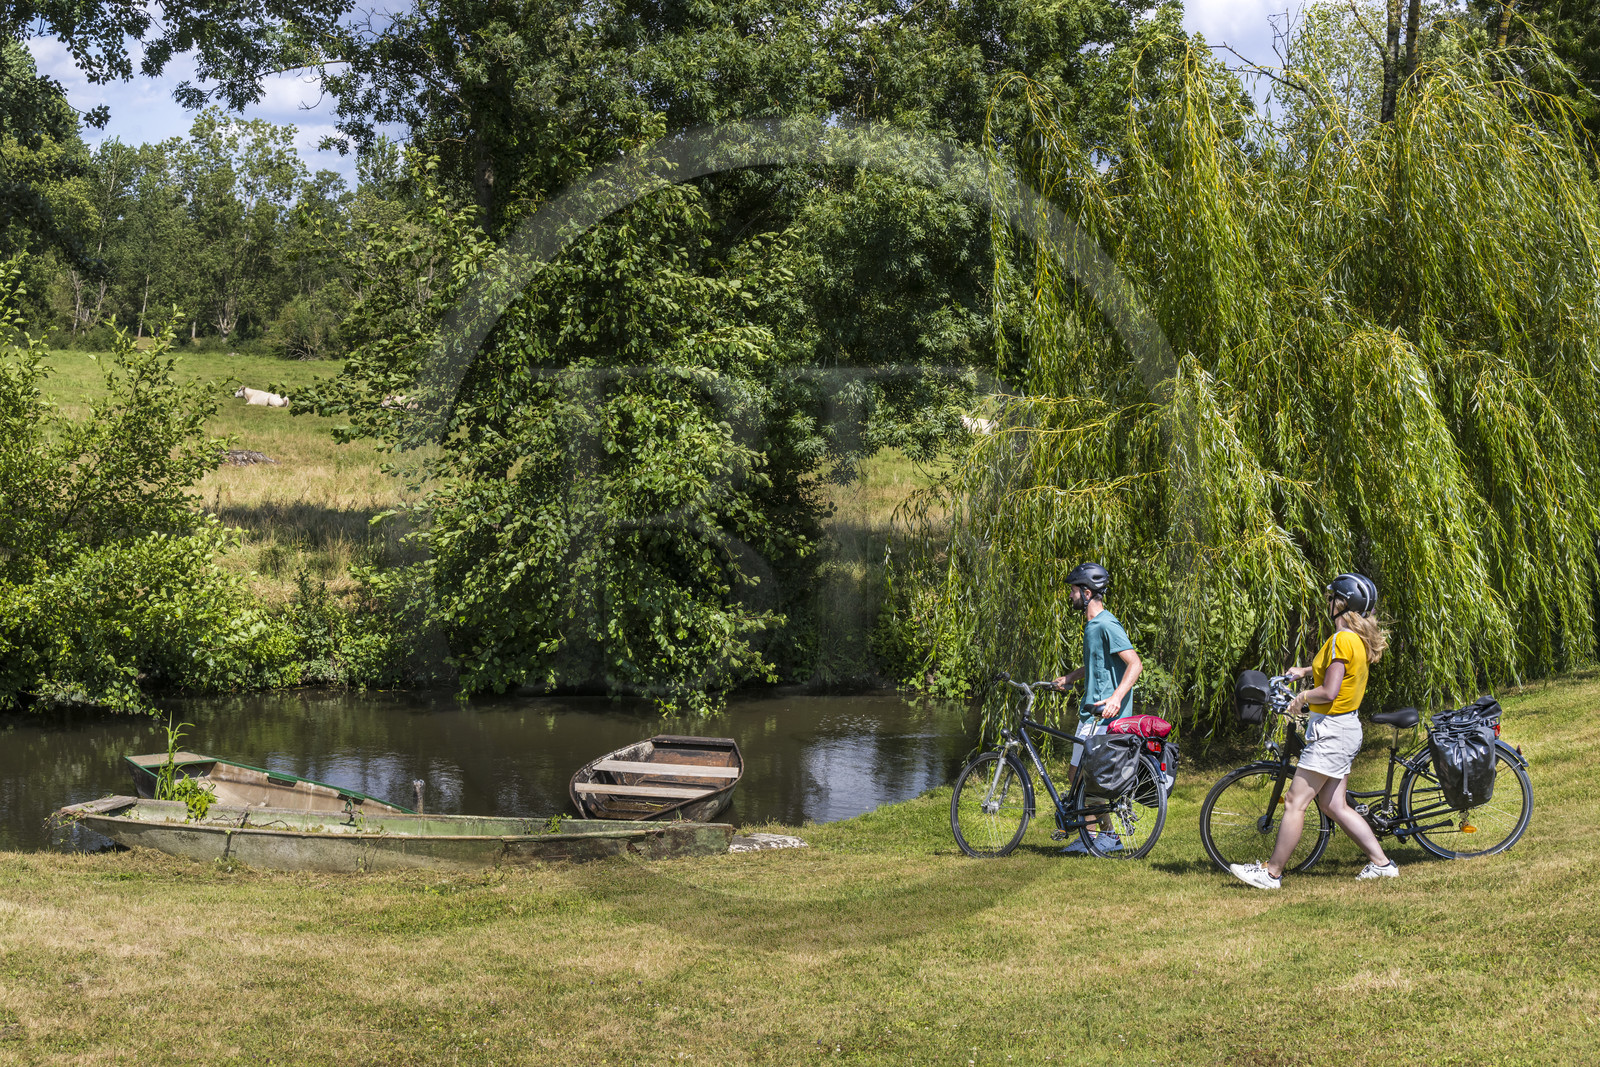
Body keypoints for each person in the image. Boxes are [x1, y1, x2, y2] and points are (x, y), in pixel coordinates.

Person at [1229, 573, 1399, 889]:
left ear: (1343, 603)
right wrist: (1304, 672)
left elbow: (1330, 691)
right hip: (1346, 727)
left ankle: (1271, 873)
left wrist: (1302, 698)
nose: (1328, 603)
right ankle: (1382, 864)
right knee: (1334, 805)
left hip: (1332, 731)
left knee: (1295, 801)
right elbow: (1338, 671)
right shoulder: (1354, 639)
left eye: (1332, 597)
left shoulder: (1340, 639)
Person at [1050, 561, 1143, 854]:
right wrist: (1071, 677)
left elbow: (1135, 663)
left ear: (1087, 592)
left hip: (1105, 715)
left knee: (1087, 778)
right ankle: (1107, 836)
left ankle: (1091, 837)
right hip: (1090, 713)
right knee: (1075, 773)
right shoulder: (1092, 626)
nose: (1071, 596)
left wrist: (1116, 698)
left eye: (1074, 590)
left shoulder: (1106, 624)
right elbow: (1097, 665)